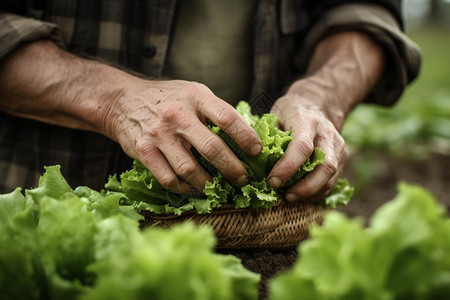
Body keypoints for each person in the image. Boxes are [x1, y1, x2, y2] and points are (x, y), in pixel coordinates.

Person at [0, 0, 420, 202]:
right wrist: (111, 100)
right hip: (57, 202)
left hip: (264, 231)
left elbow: (363, 13)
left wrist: (320, 95)